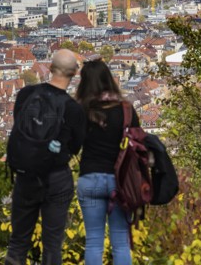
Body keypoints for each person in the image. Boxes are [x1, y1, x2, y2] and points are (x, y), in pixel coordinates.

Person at [6, 49, 86, 265]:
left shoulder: (26, 95)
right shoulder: (73, 109)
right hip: (57, 178)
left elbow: (20, 128)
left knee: (18, 242)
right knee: (52, 246)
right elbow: (75, 146)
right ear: (73, 74)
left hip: (26, 175)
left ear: (50, 69)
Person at [75, 56, 139, 265]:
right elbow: (138, 143)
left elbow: (72, 146)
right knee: (120, 242)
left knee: (94, 241)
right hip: (119, 181)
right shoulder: (126, 110)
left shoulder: (80, 110)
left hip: (90, 178)